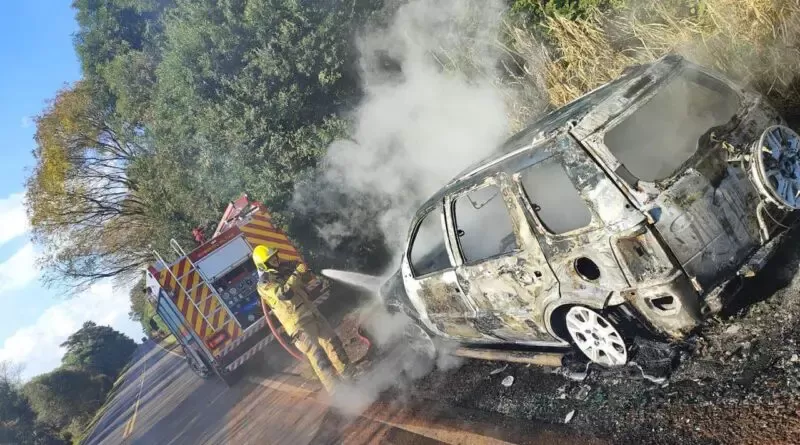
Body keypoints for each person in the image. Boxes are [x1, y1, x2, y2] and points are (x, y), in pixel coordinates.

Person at [252, 245, 349, 391]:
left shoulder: (283, 271)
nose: (275, 261)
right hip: (298, 325)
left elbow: (305, 280)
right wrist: (297, 273)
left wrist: (305, 271)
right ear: (263, 265)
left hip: (313, 314)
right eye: (271, 260)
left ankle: (351, 376)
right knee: (318, 357)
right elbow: (284, 293)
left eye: (275, 257)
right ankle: (337, 391)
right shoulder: (264, 283)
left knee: (334, 344)